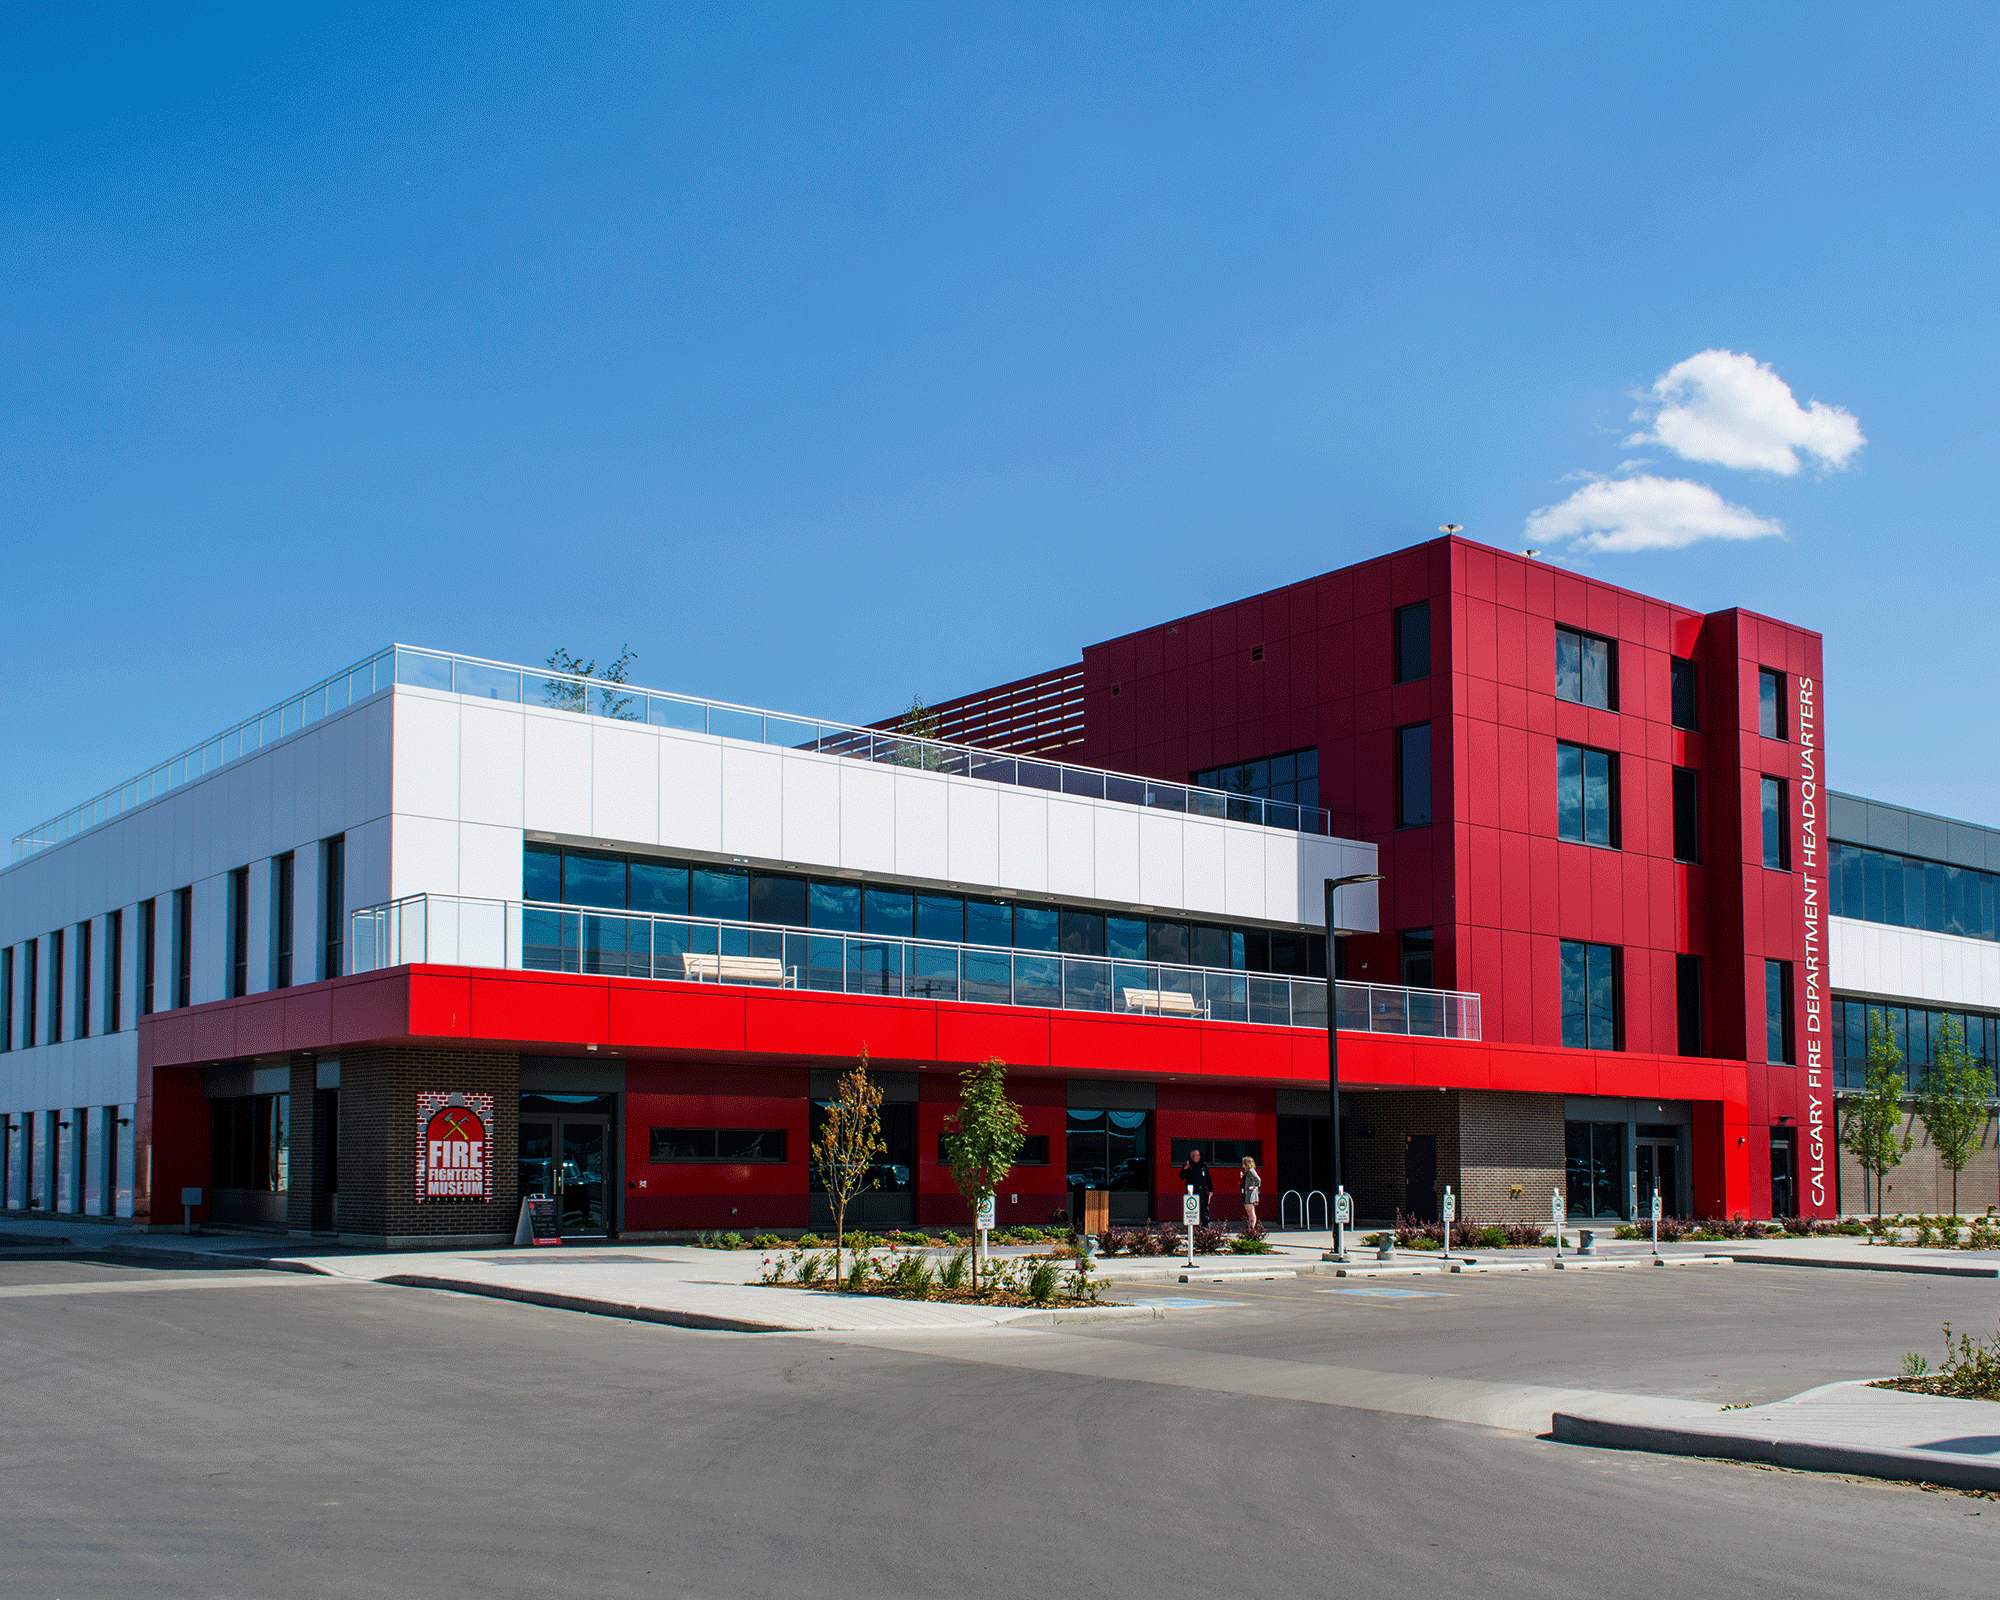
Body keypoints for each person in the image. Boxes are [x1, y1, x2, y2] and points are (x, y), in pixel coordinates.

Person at [1179, 1147, 1213, 1226]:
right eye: (1195, 1155)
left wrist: (1211, 1190)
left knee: (1204, 1210)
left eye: (1198, 1155)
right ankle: (1194, 1230)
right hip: (1192, 1192)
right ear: (1191, 1156)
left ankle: (1206, 1230)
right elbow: (1181, 1177)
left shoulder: (1203, 1165)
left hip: (1202, 1191)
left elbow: (1208, 1178)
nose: (1197, 1157)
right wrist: (1184, 1169)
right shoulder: (1187, 1165)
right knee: (1193, 1210)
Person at [1239, 1155, 1262, 1230]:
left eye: (1243, 1163)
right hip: (1246, 1194)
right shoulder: (1248, 1172)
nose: (1242, 1164)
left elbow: (1258, 1179)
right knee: (1249, 1213)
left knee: (1251, 1212)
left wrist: (1254, 1187)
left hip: (1250, 1195)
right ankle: (1250, 1227)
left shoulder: (1251, 1170)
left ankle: (1251, 1228)